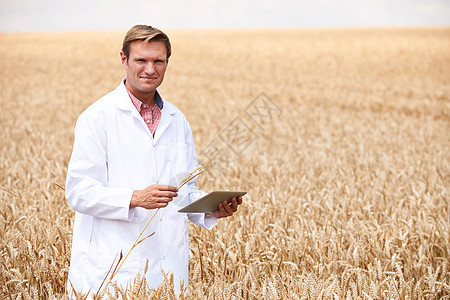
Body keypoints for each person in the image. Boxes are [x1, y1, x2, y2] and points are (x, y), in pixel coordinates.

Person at [65, 25, 243, 297]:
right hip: (112, 270)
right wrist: (135, 198)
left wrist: (211, 208)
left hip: (167, 270)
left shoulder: (177, 120)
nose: (150, 69)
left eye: (158, 61)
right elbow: (79, 192)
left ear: (167, 63)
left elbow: (182, 190)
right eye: (141, 60)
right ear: (124, 60)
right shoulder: (98, 117)